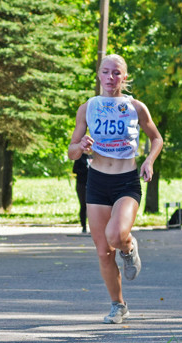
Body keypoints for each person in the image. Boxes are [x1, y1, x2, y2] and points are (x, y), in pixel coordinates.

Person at [68, 54, 163, 324]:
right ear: (98, 75)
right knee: (103, 251)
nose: (111, 78)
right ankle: (118, 305)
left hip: (126, 180)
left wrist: (149, 160)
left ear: (125, 77)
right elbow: (71, 152)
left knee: (115, 235)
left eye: (117, 73)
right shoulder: (87, 108)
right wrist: (81, 146)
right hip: (96, 181)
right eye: (106, 72)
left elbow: (156, 138)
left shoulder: (136, 107)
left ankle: (129, 246)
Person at [72, 153, 90, 233]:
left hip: (94, 184)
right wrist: (86, 170)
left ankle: (95, 226)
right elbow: (75, 170)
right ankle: (84, 226)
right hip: (82, 183)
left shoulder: (96, 156)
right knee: (83, 205)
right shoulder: (80, 157)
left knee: (93, 206)